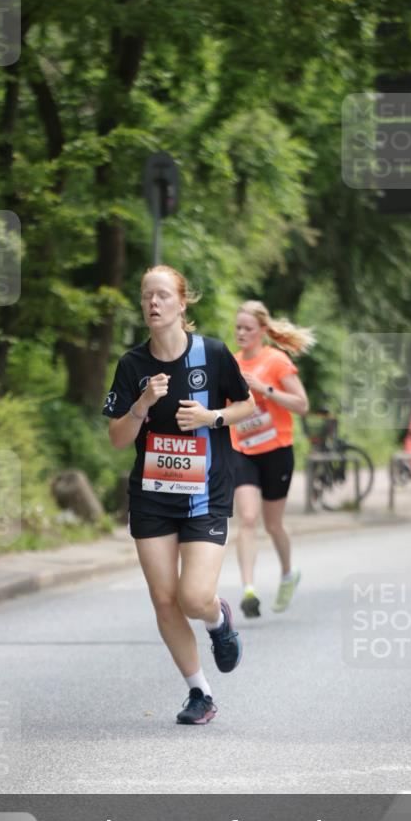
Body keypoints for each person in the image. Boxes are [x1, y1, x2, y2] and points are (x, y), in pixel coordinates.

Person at [103, 265, 255, 725]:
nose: (153, 303)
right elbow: (116, 438)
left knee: (193, 597)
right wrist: (142, 404)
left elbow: (247, 405)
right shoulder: (133, 365)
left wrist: (212, 419)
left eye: (163, 295)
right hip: (151, 495)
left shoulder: (211, 354)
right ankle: (200, 693)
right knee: (164, 599)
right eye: (147, 295)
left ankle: (217, 619)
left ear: (182, 303)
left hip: (205, 491)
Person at [230, 301, 314, 617]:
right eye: (238, 327)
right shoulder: (232, 363)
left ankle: (288, 573)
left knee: (273, 523)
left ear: (263, 331)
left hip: (277, 450)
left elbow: (302, 404)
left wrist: (264, 388)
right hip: (243, 451)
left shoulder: (276, 361)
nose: (241, 333)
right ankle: (248, 590)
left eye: (248, 329)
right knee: (248, 518)